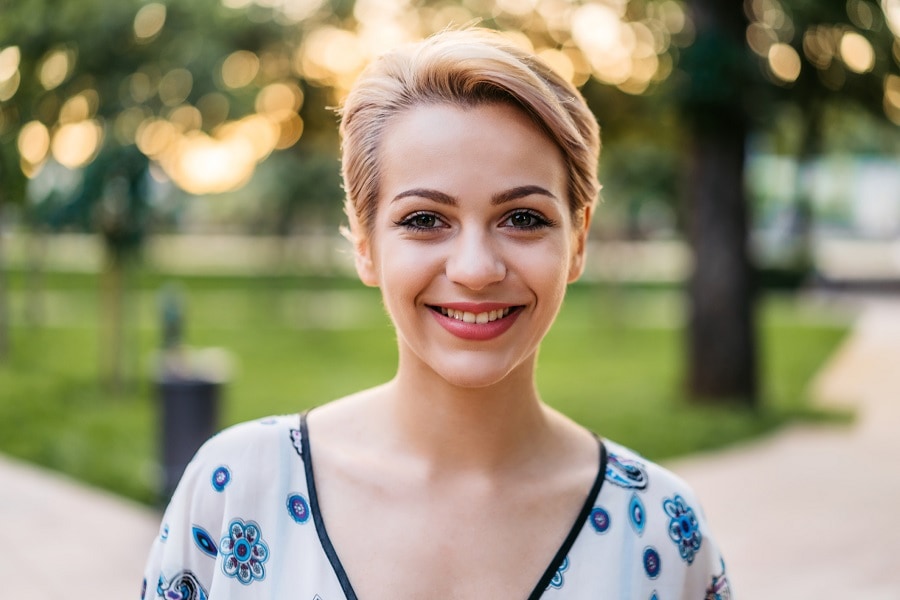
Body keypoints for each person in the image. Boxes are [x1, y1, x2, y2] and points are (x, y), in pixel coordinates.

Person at [142, 28, 732, 600]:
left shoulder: (661, 530)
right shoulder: (235, 490)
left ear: (577, 242)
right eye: (424, 219)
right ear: (366, 246)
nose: (476, 269)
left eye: (523, 218)